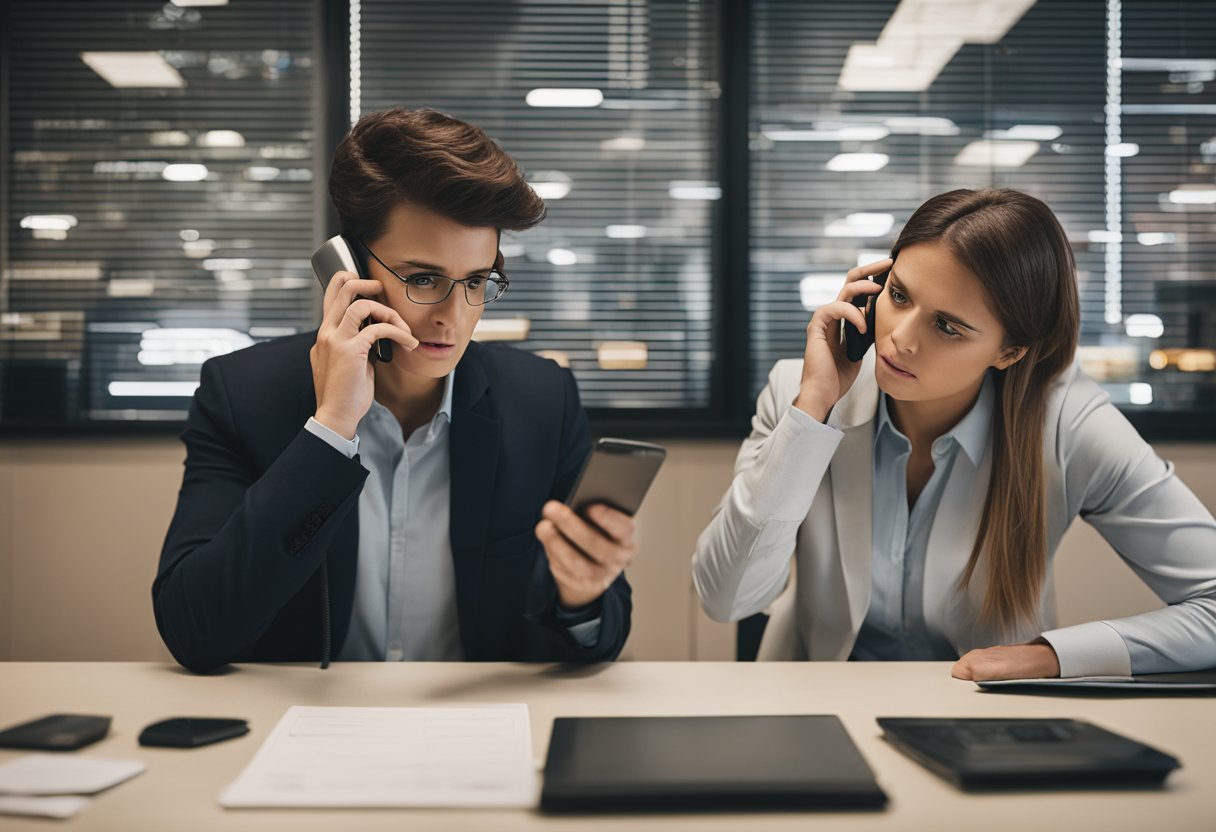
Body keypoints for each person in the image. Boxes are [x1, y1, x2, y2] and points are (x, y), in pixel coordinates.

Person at [154, 108, 635, 673]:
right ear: (349, 269)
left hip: (477, 733)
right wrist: (330, 429)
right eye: (423, 279)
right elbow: (194, 632)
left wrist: (581, 598)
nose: (453, 319)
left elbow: (601, 634)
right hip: (305, 733)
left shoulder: (541, 402)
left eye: (476, 282)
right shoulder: (241, 395)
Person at [693, 188, 1216, 680]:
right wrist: (810, 414)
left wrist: (1051, 656)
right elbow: (724, 599)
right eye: (898, 295)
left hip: (985, 719)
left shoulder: (1067, 422)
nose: (899, 338)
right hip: (818, 706)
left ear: (1010, 352)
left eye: (947, 326)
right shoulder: (803, 389)